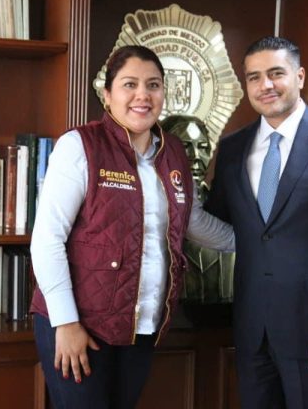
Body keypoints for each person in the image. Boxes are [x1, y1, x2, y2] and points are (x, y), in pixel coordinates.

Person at [29, 45, 234, 409]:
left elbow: (192, 221)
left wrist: (253, 242)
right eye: (130, 84)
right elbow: (47, 240)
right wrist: (66, 323)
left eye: (153, 85)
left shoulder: (173, 151)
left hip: (142, 325)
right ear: (108, 94)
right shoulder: (80, 146)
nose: (143, 95)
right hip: (79, 325)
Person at [190, 36, 308, 408]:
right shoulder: (232, 149)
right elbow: (224, 223)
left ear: (300, 76)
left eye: (276, 73)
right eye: (254, 77)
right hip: (251, 331)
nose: (265, 85)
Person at [161, 114, 235, 305]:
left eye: (203, 147)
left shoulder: (224, 202)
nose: (195, 156)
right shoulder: (153, 206)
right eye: (184, 146)